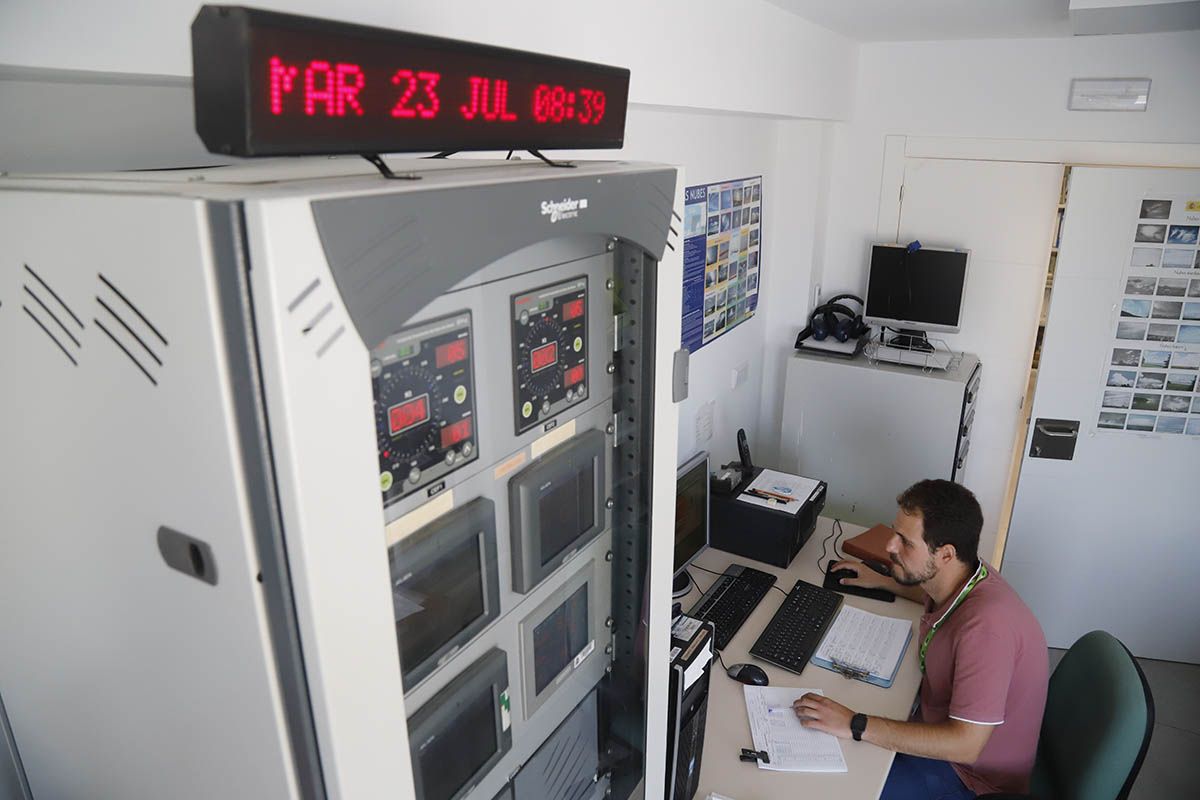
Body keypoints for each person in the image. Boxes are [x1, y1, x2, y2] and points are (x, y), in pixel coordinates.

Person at [793, 479, 1048, 799]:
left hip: (968, 778)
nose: (889, 547)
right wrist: (884, 581)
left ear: (945, 555)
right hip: (940, 731)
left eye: (905, 542)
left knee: (835, 785)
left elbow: (966, 745)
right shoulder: (968, 574)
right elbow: (931, 588)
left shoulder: (987, 631)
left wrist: (856, 724)